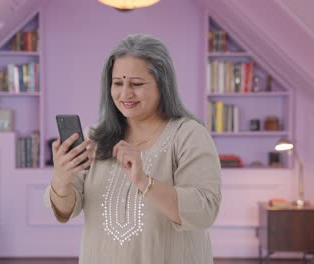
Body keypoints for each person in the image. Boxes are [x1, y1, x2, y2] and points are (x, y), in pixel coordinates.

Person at [43, 34, 221, 264]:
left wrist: (145, 182)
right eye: (117, 83)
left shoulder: (189, 135)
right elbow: (66, 210)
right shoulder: (94, 138)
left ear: (162, 84)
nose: (125, 93)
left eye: (136, 84)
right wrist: (61, 178)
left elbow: (204, 211)